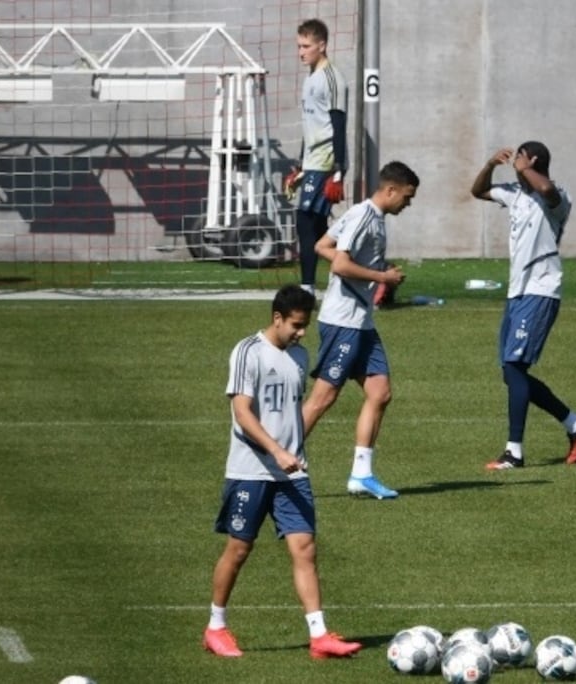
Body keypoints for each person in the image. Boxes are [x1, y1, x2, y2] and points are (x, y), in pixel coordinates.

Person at [203, 285, 362, 661]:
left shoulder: (299, 356)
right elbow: (242, 413)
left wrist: (293, 452)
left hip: (292, 474)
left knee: (305, 548)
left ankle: (319, 635)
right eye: (296, 324)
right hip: (251, 471)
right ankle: (215, 627)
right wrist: (276, 451)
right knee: (239, 549)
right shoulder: (247, 352)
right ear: (277, 318)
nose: (301, 332)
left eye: (305, 325)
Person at [470, 142, 576, 469]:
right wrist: (489, 165)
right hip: (517, 292)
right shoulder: (514, 193)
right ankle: (575, 424)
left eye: (522, 158)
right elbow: (478, 190)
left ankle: (514, 452)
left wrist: (526, 170)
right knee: (512, 373)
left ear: (534, 161)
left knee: (514, 368)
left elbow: (548, 190)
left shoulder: (557, 197)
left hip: (541, 290)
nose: (516, 163)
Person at [305, 161, 419, 500]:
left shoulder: (370, 218)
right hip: (343, 322)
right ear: (390, 190)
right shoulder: (363, 217)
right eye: (407, 198)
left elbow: (322, 246)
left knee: (380, 392)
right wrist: (382, 277)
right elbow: (340, 262)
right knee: (323, 399)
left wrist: (372, 275)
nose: (407, 204)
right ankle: (277, 460)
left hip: (361, 322)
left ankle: (361, 474)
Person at [290, 18, 348, 296]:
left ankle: (308, 287)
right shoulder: (310, 77)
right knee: (317, 225)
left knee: (305, 221)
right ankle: (351, 275)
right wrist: (301, 163)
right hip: (312, 160)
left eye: (306, 46)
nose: (301, 51)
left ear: (321, 45)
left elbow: (338, 124)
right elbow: (310, 124)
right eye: (299, 46)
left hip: (326, 160)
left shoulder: (332, 78)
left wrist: (339, 168)